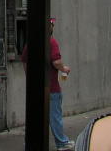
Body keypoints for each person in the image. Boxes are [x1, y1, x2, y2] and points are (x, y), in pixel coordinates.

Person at [21, 17, 73, 151]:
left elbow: (25, 61)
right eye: (52, 25)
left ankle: (30, 142)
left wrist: (30, 79)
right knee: (55, 116)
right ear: (50, 28)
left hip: (35, 88)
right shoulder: (52, 42)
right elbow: (56, 62)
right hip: (51, 87)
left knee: (35, 116)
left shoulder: (30, 42)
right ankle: (62, 143)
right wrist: (64, 69)